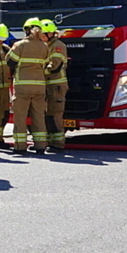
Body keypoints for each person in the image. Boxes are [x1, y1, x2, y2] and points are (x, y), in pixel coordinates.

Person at [6, 17, 49, 154]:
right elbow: (46, 64)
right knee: (38, 117)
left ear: (26, 30)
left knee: (20, 117)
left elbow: (10, 61)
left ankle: (20, 146)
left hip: (22, 87)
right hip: (39, 87)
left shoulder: (20, 45)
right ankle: (40, 145)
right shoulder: (45, 47)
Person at [42, 19, 69, 153]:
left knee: (54, 114)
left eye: (43, 34)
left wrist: (38, 72)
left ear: (51, 34)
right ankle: (47, 141)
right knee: (46, 114)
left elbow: (55, 66)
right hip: (47, 85)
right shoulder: (45, 45)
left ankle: (57, 143)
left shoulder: (58, 45)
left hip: (56, 85)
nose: (41, 37)